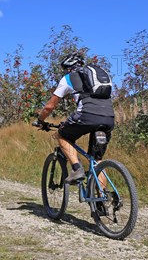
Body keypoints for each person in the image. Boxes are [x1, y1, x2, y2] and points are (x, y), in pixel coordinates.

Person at [37, 53, 115, 184]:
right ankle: (102, 200)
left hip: (86, 115)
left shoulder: (68, 78)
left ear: (68, 68)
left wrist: (40, 120)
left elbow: (49, 107)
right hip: (109, 117)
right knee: (97, 161)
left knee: (61, 135)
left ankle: (77, 169)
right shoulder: (98, 77)